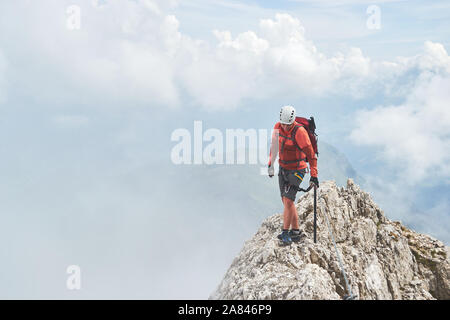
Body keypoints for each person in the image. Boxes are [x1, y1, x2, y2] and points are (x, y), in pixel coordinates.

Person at [268, 105, 319, 245]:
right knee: (286, 202)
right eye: (283, 123)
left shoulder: (300, 132)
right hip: (283, 168)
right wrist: (270, 165)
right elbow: (274, 147)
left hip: (298, 170)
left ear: (293, 121)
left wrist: (313, 175)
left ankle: (285, 233)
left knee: (289, 200)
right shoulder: (277, 127)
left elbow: (311, 155)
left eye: (287, 124)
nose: (284, 126)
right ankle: (295, 232)